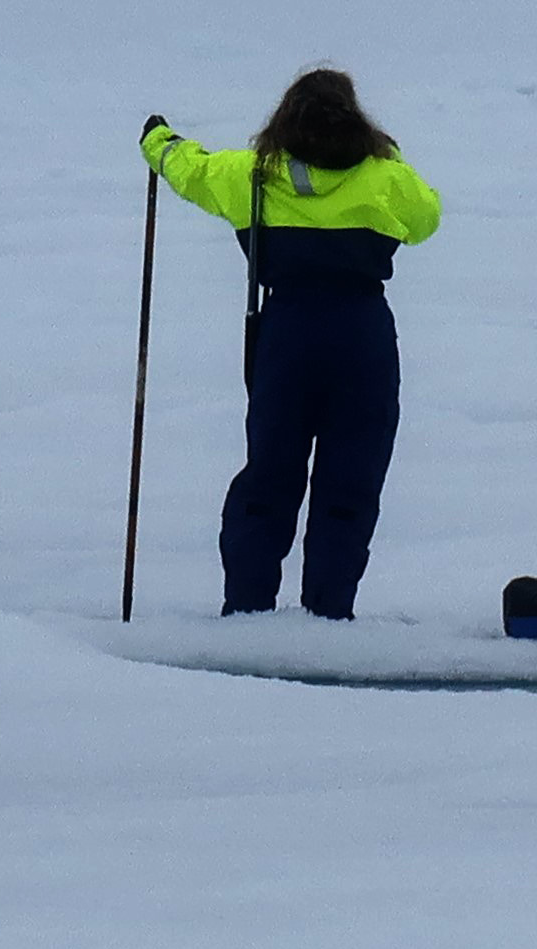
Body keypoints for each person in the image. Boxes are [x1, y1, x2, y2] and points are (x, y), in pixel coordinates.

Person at [141, 68, 441, 620]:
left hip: (286, 333)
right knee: (350, 479)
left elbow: (192, 171)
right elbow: (426, 219)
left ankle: (249, 611)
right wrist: (389, 156)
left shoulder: (253, 175)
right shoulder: (385, 179)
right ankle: (329, 615)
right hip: (362, 335)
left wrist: (159, 142)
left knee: (271, 473)